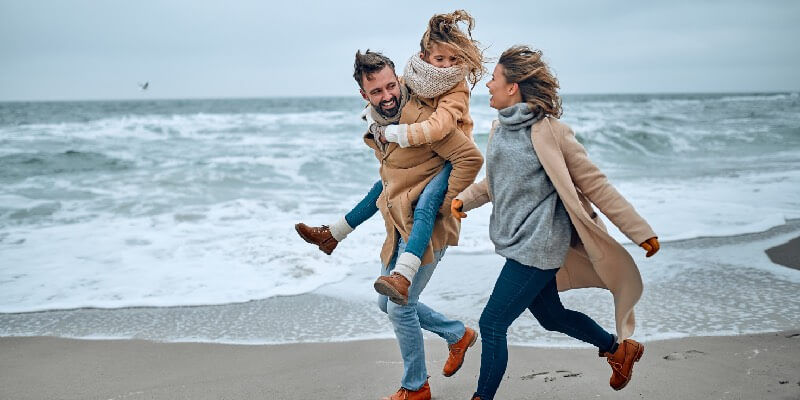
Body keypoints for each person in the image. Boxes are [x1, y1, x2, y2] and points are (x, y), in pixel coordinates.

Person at [452, 45, 661, 400]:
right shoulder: (499, 129)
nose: (488, 84)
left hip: (541, 245)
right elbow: (497, 181)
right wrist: (465, 199)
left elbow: (595, 183)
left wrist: (640, 231)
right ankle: (618, 349)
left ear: (513, 86)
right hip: (516, 241)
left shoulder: (552, 132)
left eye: (494, 78)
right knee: (551, 316)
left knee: (492, 323)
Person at [302, 50, 483, 400]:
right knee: (385, 304)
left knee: (400, 307)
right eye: (377, 92)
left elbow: (471, 157)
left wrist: (445, 205)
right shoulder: (379, 125)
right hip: (400, 226)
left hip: (428, 229)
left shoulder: (423, 120)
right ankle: (457, 335)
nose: (387, 97)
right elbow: (387, 182)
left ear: (399, 79)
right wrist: (342, 227)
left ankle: (416, 387)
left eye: (391, 86)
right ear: (364, 95)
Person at [295, 10, 485, 305]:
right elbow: (390, 99)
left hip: (449, 156)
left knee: (426, 205)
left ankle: (404, 275)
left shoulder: (456, 87)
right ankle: (333, 233)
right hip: (424, 150)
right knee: (381, 187)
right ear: (424, 57)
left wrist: (395, 133)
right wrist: (374, 123)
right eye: (440, 59)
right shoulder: (414, 78)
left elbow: (441, 127)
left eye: (453, 59)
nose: (447, 65)